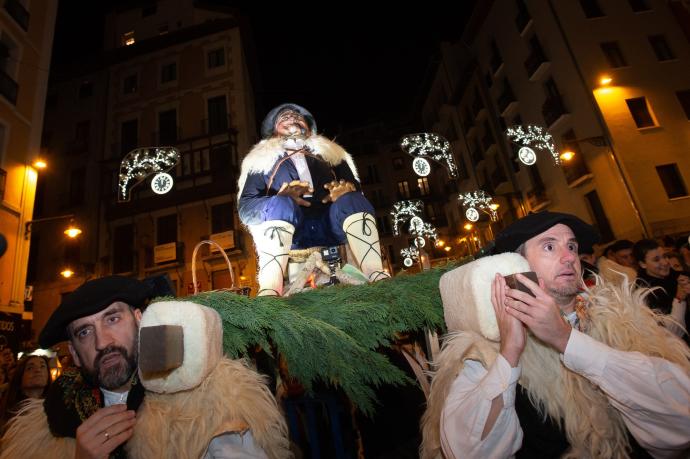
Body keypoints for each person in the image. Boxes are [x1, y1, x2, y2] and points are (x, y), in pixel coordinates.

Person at [421, 211, 690, 458]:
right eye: (550, 246)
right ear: (516, 265)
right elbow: (466, 451)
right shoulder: (485, 350)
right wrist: (509, 352)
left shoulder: (625, 320)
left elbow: (682, 418)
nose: (570, 256)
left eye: (571, 246)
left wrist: (566, 339)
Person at [0, 276, 289, 458]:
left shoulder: (205, 395)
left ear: (140, 319)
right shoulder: (53, 419)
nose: (103, 342)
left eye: (112, 319)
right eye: (85, 332)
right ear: (74, 353)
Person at [238, 103, 388, 296]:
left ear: (309, 128)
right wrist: (279, 200)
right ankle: (270, 290)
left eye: (298, 116)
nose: (293, 117)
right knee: (281, 204)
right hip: (290, 232)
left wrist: (345, 192)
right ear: (274, 131)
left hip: (330, 225)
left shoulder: (333, 156)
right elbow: (246, 208)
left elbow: (355, 190)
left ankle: (375, 274)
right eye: (284, 117)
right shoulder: (260, 162)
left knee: (352, 201)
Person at [633, 239, 690, 337]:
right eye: (656, 260)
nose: (665, 262)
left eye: (664, 256)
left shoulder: (677, 276)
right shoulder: (644, 294)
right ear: (643, 264)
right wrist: (679, 298)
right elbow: (670, 333)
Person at [0, 354, 51, 430]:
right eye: (30, 368)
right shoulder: (11, 412)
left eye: (42, 366)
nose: (38, 370)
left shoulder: (55, 408)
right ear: (20, 376)